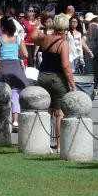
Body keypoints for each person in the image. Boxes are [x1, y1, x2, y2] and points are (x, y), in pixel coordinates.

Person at [33, 14, 76, 153]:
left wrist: (39, 26)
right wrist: (73, 85)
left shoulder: (45, 38)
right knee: (59, 114)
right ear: (65, 27)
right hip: (57, 78)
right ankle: (58, 146)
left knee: (44, 111)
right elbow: (65, 66)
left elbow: (33, 38)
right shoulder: (63, 43)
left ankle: (42, 144)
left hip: (43, 76)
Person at [0, 15, 29, 128]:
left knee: (2, 95)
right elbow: (26, 55)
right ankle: (15, 120)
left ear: (2, 27)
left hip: (3, 68)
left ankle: (2, 120)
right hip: (15, 68)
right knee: (15, 94)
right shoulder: (18, 39)